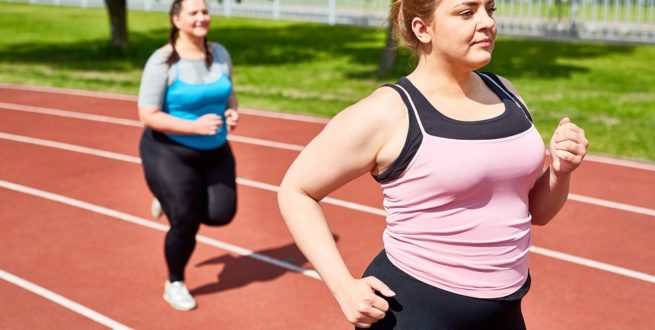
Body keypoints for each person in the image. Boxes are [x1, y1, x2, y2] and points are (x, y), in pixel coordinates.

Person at [277, 0, 589, 328]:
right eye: (467, 12)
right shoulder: (388, 112)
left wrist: (560, 171)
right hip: (416, 310)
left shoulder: (506, 93)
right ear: (422, 29)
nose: (487, 23)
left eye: (490, 9)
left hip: (506, 311)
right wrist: (343, 287)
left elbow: (535, 213)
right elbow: (296, 190)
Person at [137, 0, 239, 311]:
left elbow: (228, 93)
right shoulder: (163, 61)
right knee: (185, 220)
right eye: (193, 12)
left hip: (216, 151)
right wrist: (193, 127)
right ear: (177, 19)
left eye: (205, 11)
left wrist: (233, 112)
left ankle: (169, 199)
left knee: (221, 214)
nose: (201, 17)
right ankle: (175, 281)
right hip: (169, 151)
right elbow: (148, 114)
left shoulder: (219, 53)